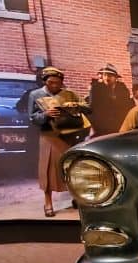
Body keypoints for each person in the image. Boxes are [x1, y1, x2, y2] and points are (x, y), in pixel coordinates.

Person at [28, 67, 90, 217]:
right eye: (51, 82)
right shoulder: (35, 95)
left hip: (68, 135)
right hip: (49, 135)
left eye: (58, 83)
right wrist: (45, 114)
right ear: (45, 82)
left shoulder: (70, 93)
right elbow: (31, 117)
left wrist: (75, 106)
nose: (55, 85)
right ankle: (48, 202)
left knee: (70, 168)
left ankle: (76, 198)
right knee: (48, 170)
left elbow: (88, 108)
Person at [88, 63, 132, 137]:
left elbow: (126, 107)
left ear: (115, 77)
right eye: (105, 75)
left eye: (110, 75)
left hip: (119, 126)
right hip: (102, 127)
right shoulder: (96, 89)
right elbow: (93, 108)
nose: (106, 78)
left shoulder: (123, 89)